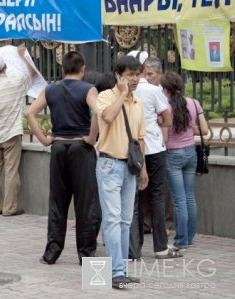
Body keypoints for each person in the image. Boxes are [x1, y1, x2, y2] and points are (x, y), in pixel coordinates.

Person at [26, 51, 102, 265]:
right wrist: (91, 137)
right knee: (85, 202)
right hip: (80, 147)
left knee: (57, 201)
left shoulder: (50, 89)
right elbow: (98, 111)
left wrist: (44, 139)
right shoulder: (89, 89)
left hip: (58, 146)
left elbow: (30, 113)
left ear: (63, 69)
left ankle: (52, 252)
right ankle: (86, 254)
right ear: (83, 69)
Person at [95, 55, 148, 288]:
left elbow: (140, 138)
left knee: (126, 220)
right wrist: (122, 94)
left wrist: (143, 168)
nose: (135, 79)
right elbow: (107, 116)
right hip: (109, 165)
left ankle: (121, 269)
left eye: (138, 75)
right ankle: (114, 272)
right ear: (119, 76)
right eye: (130, 75)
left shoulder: (138, 103)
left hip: (130, 168)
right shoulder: (105, 96)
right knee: (113, 219)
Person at [128, 56, 182, 260]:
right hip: (154, 148)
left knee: (137, 198)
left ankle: (135, 247)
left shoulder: (128, 90)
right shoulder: (154, 91)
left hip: (134, 148)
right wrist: (158, 119)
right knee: (157, 195)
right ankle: (160, 247)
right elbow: (167, 119)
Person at [0, 43, 35, 216]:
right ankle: (9, 208)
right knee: (11, 172)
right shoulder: (15, 83)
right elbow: (31, 74)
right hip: (11, 134)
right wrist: (22, 55)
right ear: (5, 67)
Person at [161, 71, 208, 252]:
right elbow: (204, 130)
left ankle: (180, 242)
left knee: (179, 200)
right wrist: (188, 128)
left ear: (166, 89)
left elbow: (165, 138)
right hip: (191, 153)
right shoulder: (194, 103)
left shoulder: (165, 106)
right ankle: (189, 239)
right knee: (190, 198)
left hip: (172, 154)